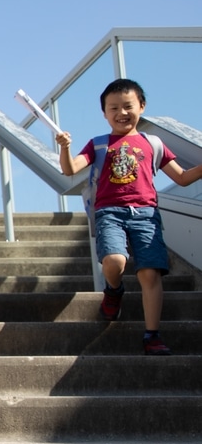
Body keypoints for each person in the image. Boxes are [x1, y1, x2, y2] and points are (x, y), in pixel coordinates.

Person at [56, 78, 202, 355]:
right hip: (109, 211)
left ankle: (152, 335)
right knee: (114, 261)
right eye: (113, 108)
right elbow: (70, 169)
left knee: (150, 273)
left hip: (146, 214)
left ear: (142, 107)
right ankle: (113, 290)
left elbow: (182, 177)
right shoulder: (98, 144)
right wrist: (64, 147)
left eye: (128, 106)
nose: (121, 112)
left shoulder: (153, 143)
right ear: (104, 113)